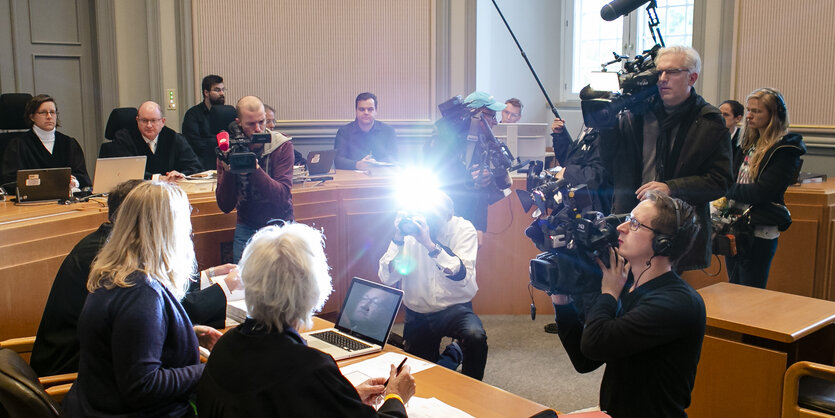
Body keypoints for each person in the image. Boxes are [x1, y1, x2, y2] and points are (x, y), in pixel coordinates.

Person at [197, 223, 415, 417]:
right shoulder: (310, 369)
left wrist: (347, 398)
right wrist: (396, 397)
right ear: (313, 290)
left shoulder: (226, 345)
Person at [29, 179, 240, 377]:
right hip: (73, 368)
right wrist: (224, 287)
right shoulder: (120, 268)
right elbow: (167, 311)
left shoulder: (113, 250)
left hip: (105, 365)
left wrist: (206, 278)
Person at [63, 181, 219, 417]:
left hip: (95, 405)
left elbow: (126, 340)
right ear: (168, 233)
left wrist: (185, 333)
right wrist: (211, 369)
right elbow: (143, 386)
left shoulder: (114, 276)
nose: (190, 235)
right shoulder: (141, 293)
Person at [552, 191, 706, 417]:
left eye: (634, 224)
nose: (621, 228)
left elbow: (595, 343)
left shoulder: (676, 304)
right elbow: (584, 360)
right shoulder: (628, 286)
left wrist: (608, 293)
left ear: (663, 244)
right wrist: (561, 300)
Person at [599, 45, 733, 271]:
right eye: (659, 72)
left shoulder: (709, 121)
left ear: (692, 77)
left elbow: (721, 181)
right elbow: (609, 163)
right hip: (631, 222)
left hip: (674, 230)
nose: (662, 79)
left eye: (671, 72)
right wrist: (606, 122)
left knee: (664, 300)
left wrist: (672, 188)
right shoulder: (637, 113)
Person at [378, 192, 488, 380]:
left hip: (456, 308)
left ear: (449, 213)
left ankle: (473, 389)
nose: (429, 222)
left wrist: (429, 244)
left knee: (475, 337)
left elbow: (462, 275)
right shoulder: (409, 230)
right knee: (422, 377)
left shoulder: (463, 229)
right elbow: (387, 277)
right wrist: (398, 238)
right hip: (419, 311)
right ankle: (454, 354)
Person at [723, 88, 805, 289]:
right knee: (734, 288)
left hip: (759, 229)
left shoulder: (784, 150)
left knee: (751, 292)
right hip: (735, 225)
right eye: (749, 110)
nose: (749, 115)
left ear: (774, 114)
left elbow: (762, 192)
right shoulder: (748, 144)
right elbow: (730, 177)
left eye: (757, 111)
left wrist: (726, 189)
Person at [216, 96, 294, 263]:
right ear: (238, 123)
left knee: (283, 284)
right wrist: (229, 170)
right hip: (247, 226)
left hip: (280, 226)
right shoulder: (229, 149)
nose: (258, 129)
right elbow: (225, 205)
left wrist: (255, 169)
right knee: (242, 285)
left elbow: (282, 197)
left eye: (262, 122)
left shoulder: (281, 145)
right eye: (251, 124)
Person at [1, 94, 90, 189]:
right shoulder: (18, 145)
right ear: (32, 117)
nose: (49, 116)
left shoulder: (69, 143)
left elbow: (83, 177)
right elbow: (10, 181)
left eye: (52, 112)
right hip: (33, 201)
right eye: (43, 112)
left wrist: (74, 181)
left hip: (68, 199)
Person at [110, 101, 203, 180]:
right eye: (144, 120)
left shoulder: (173, 137)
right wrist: (157, 178)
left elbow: (195, 167)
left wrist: (180, 174)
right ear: (137, 120)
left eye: (153, 120)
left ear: (162, 122)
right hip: (137, 195)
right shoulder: (125, 138)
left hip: (170, 192)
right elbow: (125, 171)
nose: (149, 125)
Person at [334, 92, 398, 170]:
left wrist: (375, 165)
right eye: (362, 109)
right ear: (356, 111)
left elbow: (393, 157)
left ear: (376, 111)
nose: (366, 113)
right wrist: (357, 165)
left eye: (370, 109)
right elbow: (338, 161)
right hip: (352, 178)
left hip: (380, 176)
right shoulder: (344, 132)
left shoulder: (388, 131)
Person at [182, 74, 226, 170]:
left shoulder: (227, 113)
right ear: (206, 92)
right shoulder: (192, 114)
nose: (222, 93)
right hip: (202, 165)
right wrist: (218, 142)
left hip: (225, 162)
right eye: (217, 90)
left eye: (223, 90)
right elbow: (193, 144)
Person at [720, 99, 745, 164]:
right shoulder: (709, 136)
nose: (721, 117)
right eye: (719, 114)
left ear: (738, 119)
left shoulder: (743, 140)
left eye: (726, 115)